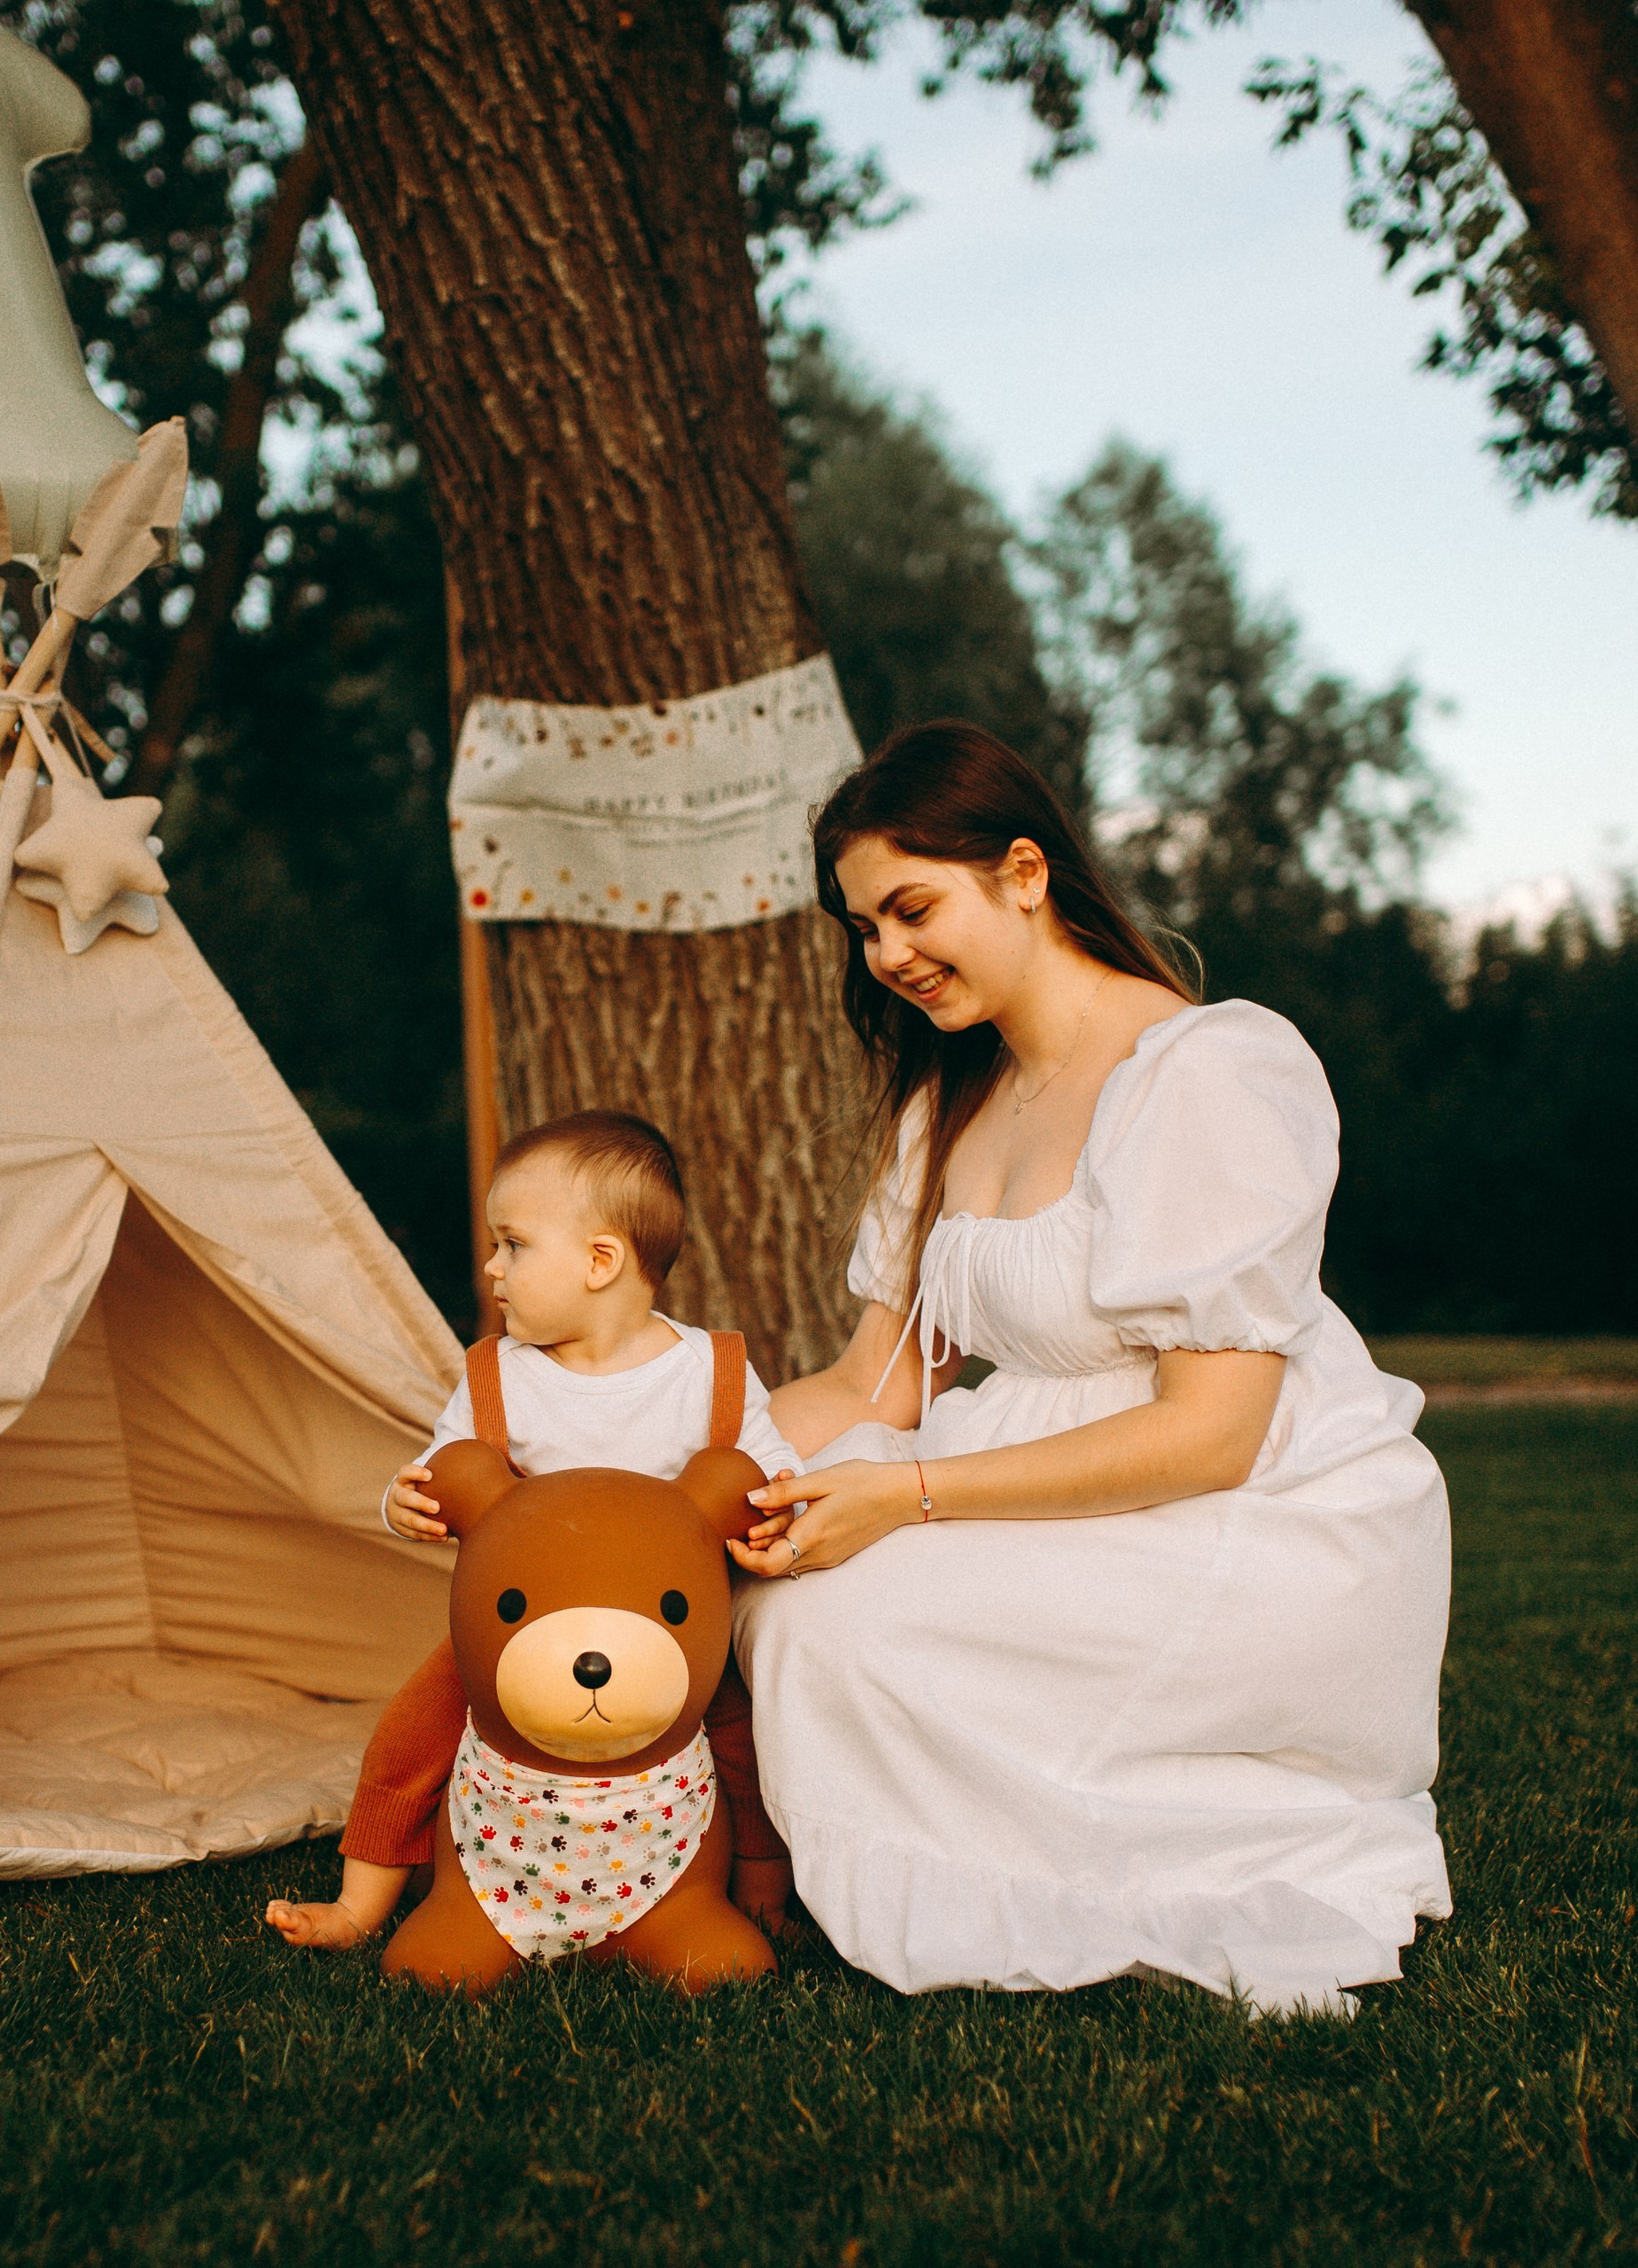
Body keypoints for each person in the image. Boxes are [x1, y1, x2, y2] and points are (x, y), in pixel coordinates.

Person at [729, 720, 1452, 2016]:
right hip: (1045, 1472)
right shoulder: (947, 1101)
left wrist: (902, 1501)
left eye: (910, 908)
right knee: (775, 1584)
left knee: (837, 1614)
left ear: (1024, 871)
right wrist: (675, 1446)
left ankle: (1038, 1862)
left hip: (1248, 1517)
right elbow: (867, 1393)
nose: (887, 955)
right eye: (862, 929)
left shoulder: (1205, 1070)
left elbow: (1211, 1435)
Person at [265, 1109, 803, 1950]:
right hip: (519, 1642)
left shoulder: (710, 1372)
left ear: (602, 1260)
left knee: (745, 1740)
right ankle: (359, 1906)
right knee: (416, 1730)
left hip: (668, 1644)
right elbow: (445, 1471)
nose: (492, 1267)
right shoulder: (499, 1377)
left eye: (513, 1245)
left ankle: (762, 1901)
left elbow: (771, 1480)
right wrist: (402, 1504)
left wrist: (776, 1520)